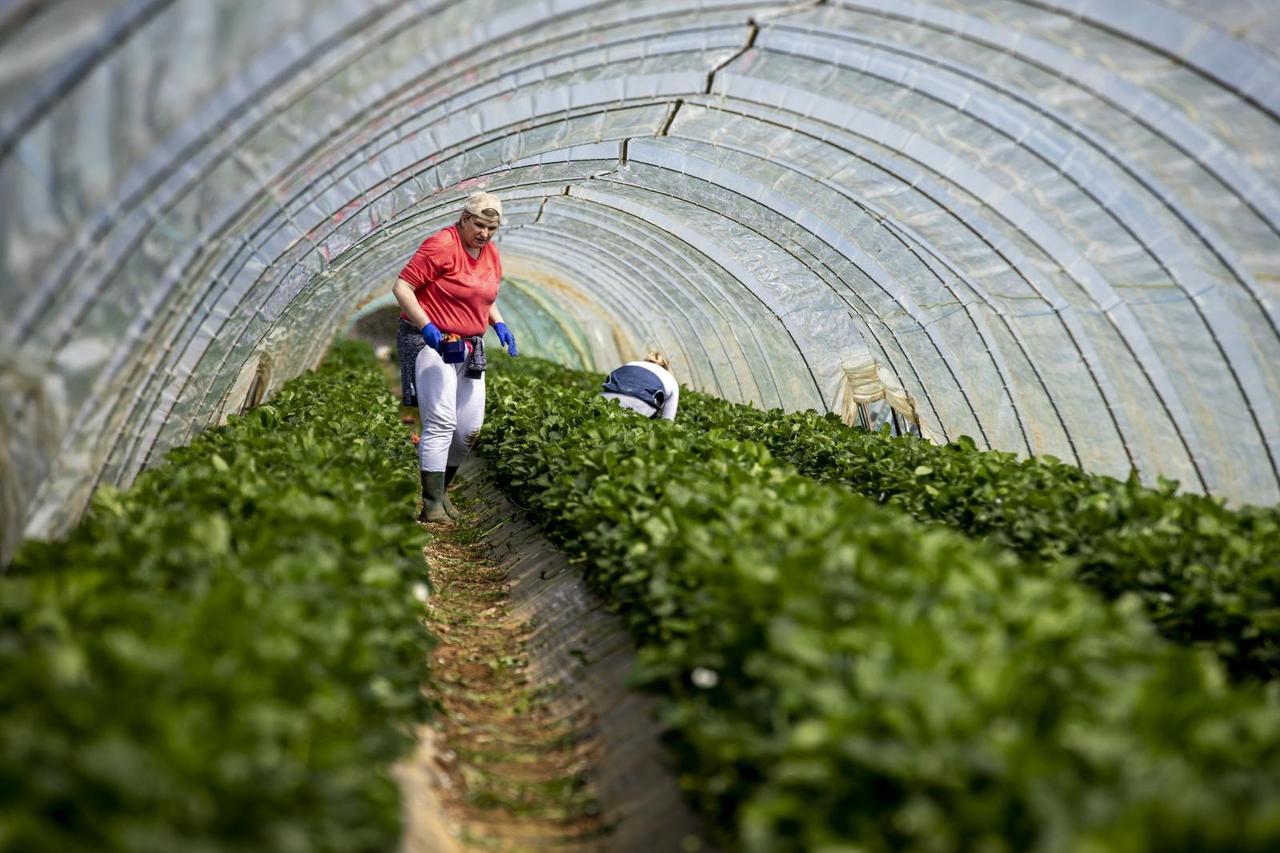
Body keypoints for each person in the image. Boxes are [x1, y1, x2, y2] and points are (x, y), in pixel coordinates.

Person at [392, 191, 518, 524]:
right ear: (464, 219)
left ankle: (442, 491)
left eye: (492, 228)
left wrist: (500, 324)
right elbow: (402, 287)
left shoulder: (491, 254)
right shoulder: (441, 245)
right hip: (433, 343)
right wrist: (427, 326)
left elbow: (484, 296)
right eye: (479, 225)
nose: (485, 234)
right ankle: (431, 504)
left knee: (468, 429)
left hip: (469, 346)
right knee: (441, 422)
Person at [600, 352, 679, 421]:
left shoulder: (631, 364)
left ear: (646, 360)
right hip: (639, 406)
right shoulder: (670, 379)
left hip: (606, 399)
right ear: (665, 367)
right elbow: (667, 420)